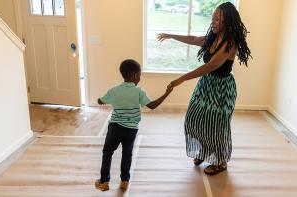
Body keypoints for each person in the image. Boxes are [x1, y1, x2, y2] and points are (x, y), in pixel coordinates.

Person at [157, 2, 251, 176]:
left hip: (222, 89)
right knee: (195, 118)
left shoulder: (230, 42)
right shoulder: (213, 37)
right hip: (206, 85)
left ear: (228, 22)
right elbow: (194, 39)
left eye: (217, 19)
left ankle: (220, 161)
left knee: (216, 125)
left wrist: (181, 79)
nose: (213, 22)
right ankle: (203, 151)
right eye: (212, 18)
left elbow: (211, 65)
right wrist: (171, 35)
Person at [95, 59, 172, 191]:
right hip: (131, 130)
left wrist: (100, 100)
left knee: (108, 152)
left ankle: (104, 182)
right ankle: (124, 181)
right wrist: (167, 93)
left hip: (115, 127)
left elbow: (100, 101)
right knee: (127, 154)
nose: (140, 77)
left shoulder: (114, 90)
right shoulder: (139, 91)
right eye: (140, 75)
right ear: (135, 75)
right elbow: (152, 105)